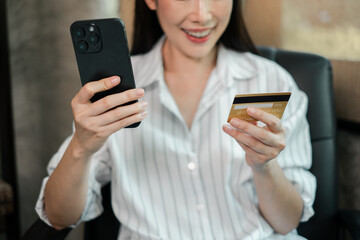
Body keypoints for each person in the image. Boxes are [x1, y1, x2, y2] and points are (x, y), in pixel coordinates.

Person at [36, 0, 316, 239]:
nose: (201, 15)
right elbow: (59, 217)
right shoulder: (114, 90)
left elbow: (287, 222)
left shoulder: (271, 80)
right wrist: (81, 147)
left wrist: (265, 166)